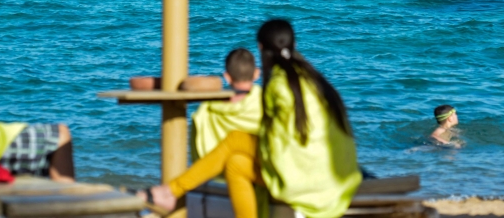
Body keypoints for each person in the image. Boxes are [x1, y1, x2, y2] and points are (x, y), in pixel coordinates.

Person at [140, 20, 360, 218]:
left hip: (307, 178)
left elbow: (278, 140)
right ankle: (171, 191)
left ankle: (170, 192)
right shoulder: (313, 78)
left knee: (236, 140)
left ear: (262, 49)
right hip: (335, 173)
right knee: (237, 162)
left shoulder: (279, 84)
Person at [192, 48, 262, 161]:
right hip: (254, 167)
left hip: (215, 171)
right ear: (256, 74)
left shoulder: (208, 109)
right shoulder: (263, 102)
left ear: (227, 77)